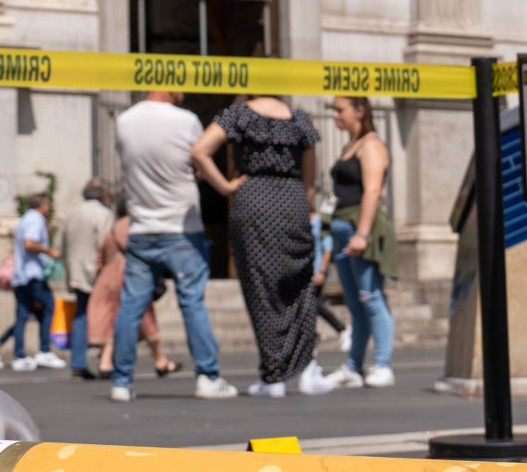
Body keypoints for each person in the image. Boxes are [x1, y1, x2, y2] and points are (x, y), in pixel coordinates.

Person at [193, 96, 326, 398]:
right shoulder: (300, 120)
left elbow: (199, 152)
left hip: (253, 201)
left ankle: (273, 374)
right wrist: (304, 211)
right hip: (292, 200)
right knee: (299, 284)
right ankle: (306, 367)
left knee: (260, 288)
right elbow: (310, 182)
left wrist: (226, 187)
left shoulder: (238, 115)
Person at [111, 90, 235, 402]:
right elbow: (197, 161)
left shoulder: (124, 121)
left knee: (131, 306)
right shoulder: (186, 120)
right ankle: (208, 376)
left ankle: (121, 382)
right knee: (192, 303)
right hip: (181, 227)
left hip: (141, 226)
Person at [320, 95, 396, 389]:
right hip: (342, 230)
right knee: (355, 303)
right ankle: (353, 365)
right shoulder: (350, 146)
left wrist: (361, 234)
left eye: (341, 110)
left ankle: (383, 364)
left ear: (359, 110)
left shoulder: (372, 146)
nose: (336, 115)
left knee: (371, 297)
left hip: (358, 230)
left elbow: (372, 191)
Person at [85, 205, 176, 383]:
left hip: (107, 276)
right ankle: (160, 360)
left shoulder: (111, 229)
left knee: (111, 317)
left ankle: (105, 363)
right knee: (144, 315)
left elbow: (100, 259)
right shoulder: (134, 225)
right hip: (130, 273)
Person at [0, 192, 66, 372]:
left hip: (21, 275)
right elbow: (29, 243)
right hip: (32, 274)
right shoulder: (36, 219)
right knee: (48, 307)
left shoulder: (24, 219)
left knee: (23, 313)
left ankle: (18, 354)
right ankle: (43, 351)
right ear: (43, 204)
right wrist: (48, 251)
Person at [60, 179, 114, 378]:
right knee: (106, 314)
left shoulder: (71, 213)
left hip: (76, 270)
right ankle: (106, 361)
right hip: (97, 272)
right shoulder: (103, 214)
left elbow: (63, 245)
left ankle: (78, 361)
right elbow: (105, 244)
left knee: (81, 315)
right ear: (102, 195)